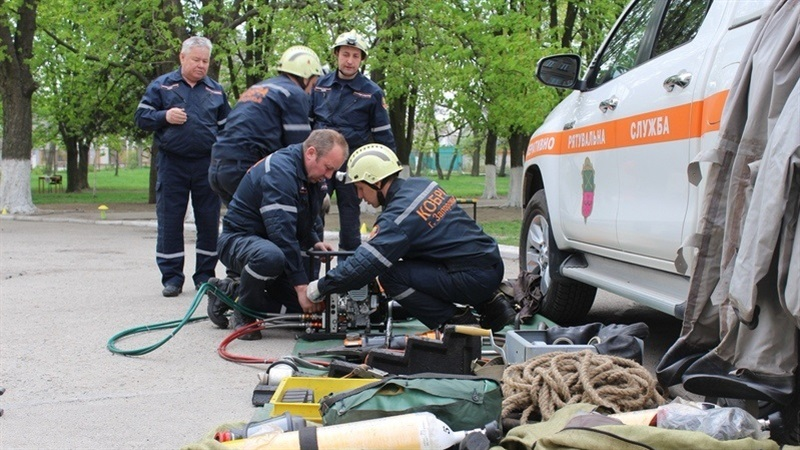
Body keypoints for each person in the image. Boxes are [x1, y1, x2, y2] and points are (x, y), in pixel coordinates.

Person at [305, 144, 517, 332]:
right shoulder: (421, 185)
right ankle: (491, 303)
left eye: (360, 188)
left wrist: (319, 288)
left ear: (376, 182)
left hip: (473, 277)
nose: (360, 196)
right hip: (490, 263)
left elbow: (365, 265)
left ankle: (456, 324)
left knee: (391, 276)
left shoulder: (398, 218)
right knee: (410, 258)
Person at [216, 129, 348, 340]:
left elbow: (307, 216)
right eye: (328, 168)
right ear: (311, 153)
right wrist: (301, 286)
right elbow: (282, 233)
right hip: (240, 239)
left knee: (303, 314)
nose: (329, 176)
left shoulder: (313, 176)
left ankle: (228, 293)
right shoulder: (279, 173)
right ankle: (244, 313)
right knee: (270, 257)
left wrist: (315, 241)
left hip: (271, 245)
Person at [135, 36, 231, 297]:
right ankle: (172, 278)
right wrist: (163, 116)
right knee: (170, 220)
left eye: (205, 61)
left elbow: (228, 129)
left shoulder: (215, 90)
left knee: (209, 222)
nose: (201, 65)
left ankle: (205, 276)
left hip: (206, 165)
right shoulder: (162, 86)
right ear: (182, 57)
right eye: (196, 60)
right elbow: (141, 117)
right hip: (172, 163)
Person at [310, 29, 396, 254]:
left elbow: (383, 136)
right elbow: (307, 127)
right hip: (319, 162)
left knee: (350, 220)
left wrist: (390, 175)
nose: (349, 60)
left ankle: (348, 279)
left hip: (353, 166)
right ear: (336, 54)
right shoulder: (319, 86)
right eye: (345, 54)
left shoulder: (372, 92)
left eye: (355, 56)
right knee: (312, 214)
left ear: (362, 59)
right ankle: (310, 278)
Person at [208, 45, 324, 206]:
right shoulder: (293, 94)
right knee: (274, 221)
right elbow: (299, 150)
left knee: (240, 225)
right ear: (306, 76)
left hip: (218, 167)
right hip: (246, 168)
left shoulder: (259, 88)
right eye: (314, 82)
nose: (312, 90)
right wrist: (318, 190)